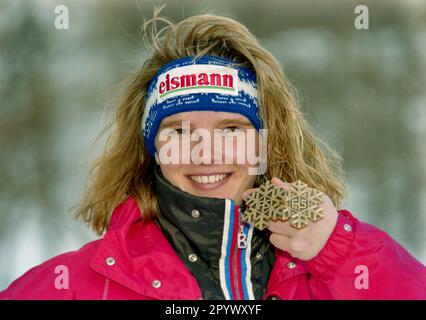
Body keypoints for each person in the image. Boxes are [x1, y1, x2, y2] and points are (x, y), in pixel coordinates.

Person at [1, 12, 425, 300]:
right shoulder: (76, 284)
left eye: (231, 129)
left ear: (266, 143)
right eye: (179, 132)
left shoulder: (337, 266)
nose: (206, 153)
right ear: (151, 153)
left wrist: (339, 251)